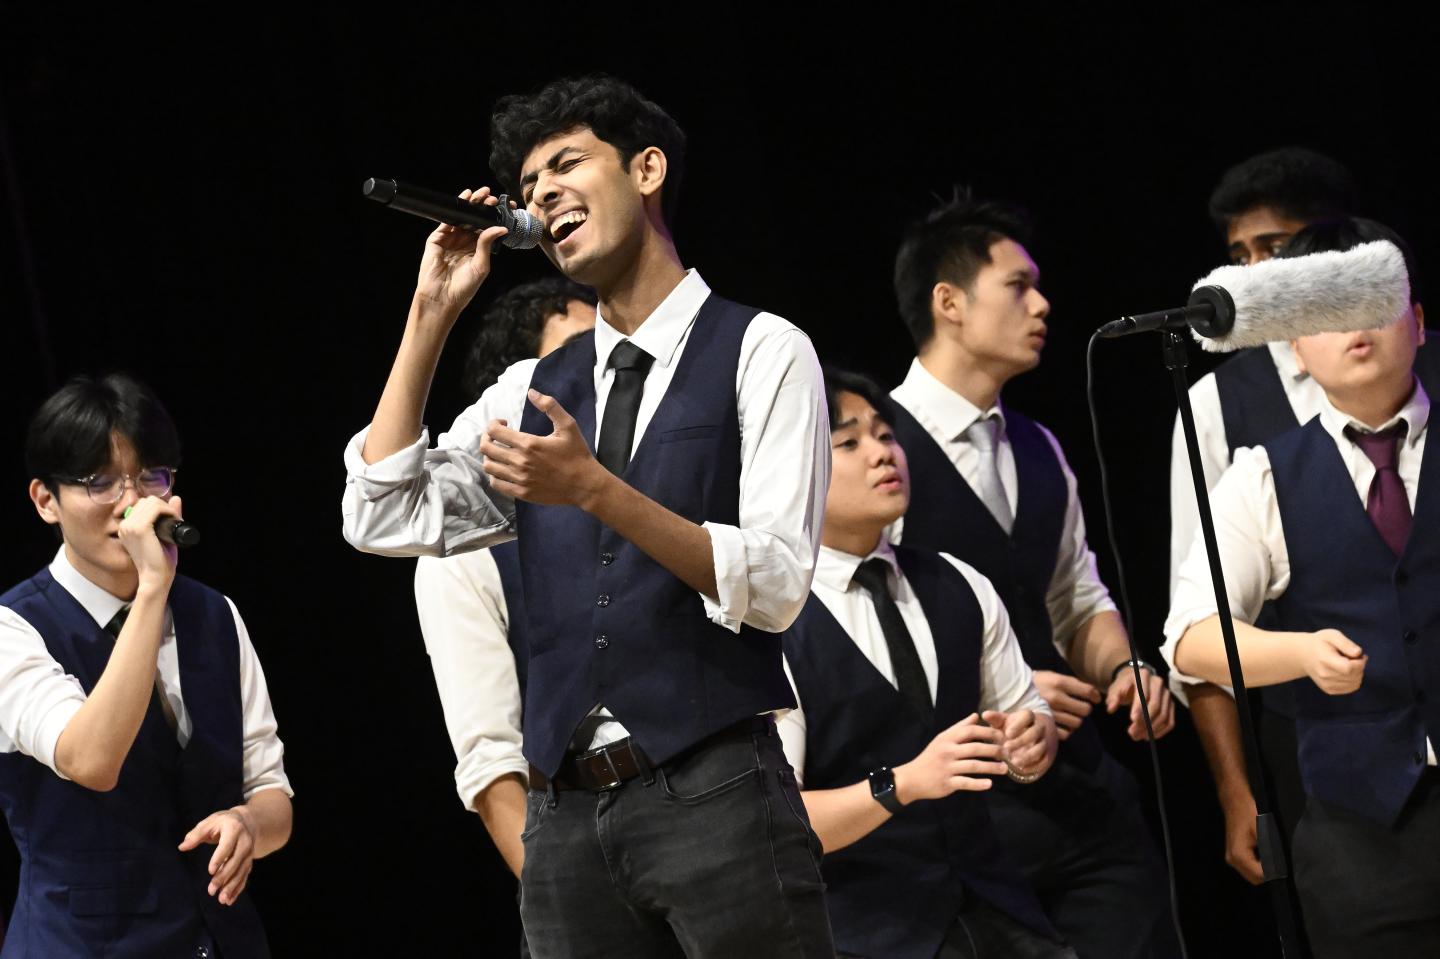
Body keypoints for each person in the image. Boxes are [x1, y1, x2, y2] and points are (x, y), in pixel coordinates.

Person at [342, 75, 834, 957]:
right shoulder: (531, 389)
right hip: (565, 814)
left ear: (646, 170)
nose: (543, 196)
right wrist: (431, 313)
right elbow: (383, 512)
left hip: (717, 788)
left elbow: (775, 584)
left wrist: (595, 489)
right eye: (529, 187)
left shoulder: (761, 349)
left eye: (566, 165)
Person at [887, 192, 1177, 959]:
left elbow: (1074, 596)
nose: (1042, 304)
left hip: (1077, 788)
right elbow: (860, 632)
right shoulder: (875, 451)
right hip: (962, 811)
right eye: (1018, 286)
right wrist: (1002, 691)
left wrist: (1123, 666)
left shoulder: (1039, 443)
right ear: (949, 302)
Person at [1166, 217, 1440, 957]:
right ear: (1294, 346)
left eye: (1373, 299)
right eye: (1328, 307)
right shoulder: (1261, 476)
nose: (1354, 323)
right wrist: (1299, 653)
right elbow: (1190, 636)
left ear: (1417, 322)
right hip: (1362, 835)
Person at [779, 367, 1071, 959]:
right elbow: (779, 822)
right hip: (868, 933)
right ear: (795, 470)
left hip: (1000, 910)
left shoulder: (958, 581)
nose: (882, 453)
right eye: (849, 442)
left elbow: (1024, 713)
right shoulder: (776, 622)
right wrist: (903, 784)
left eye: (886, 435)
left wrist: (1030, 744)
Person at [0, 373, 293, 958]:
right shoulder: (14, 628)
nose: (133, 502)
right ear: (45, 500)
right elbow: (91, 759)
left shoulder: (214, 614)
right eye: (100, 482)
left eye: (152, 476)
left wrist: (248, 823)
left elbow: (272, 794)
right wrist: (153, 587)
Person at [414, 277, 596, 882]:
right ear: (517, 393)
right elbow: (492, 763)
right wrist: (559, 906)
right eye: (580, 351)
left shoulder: (656, 489)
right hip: (586, 850)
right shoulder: (467, 555)